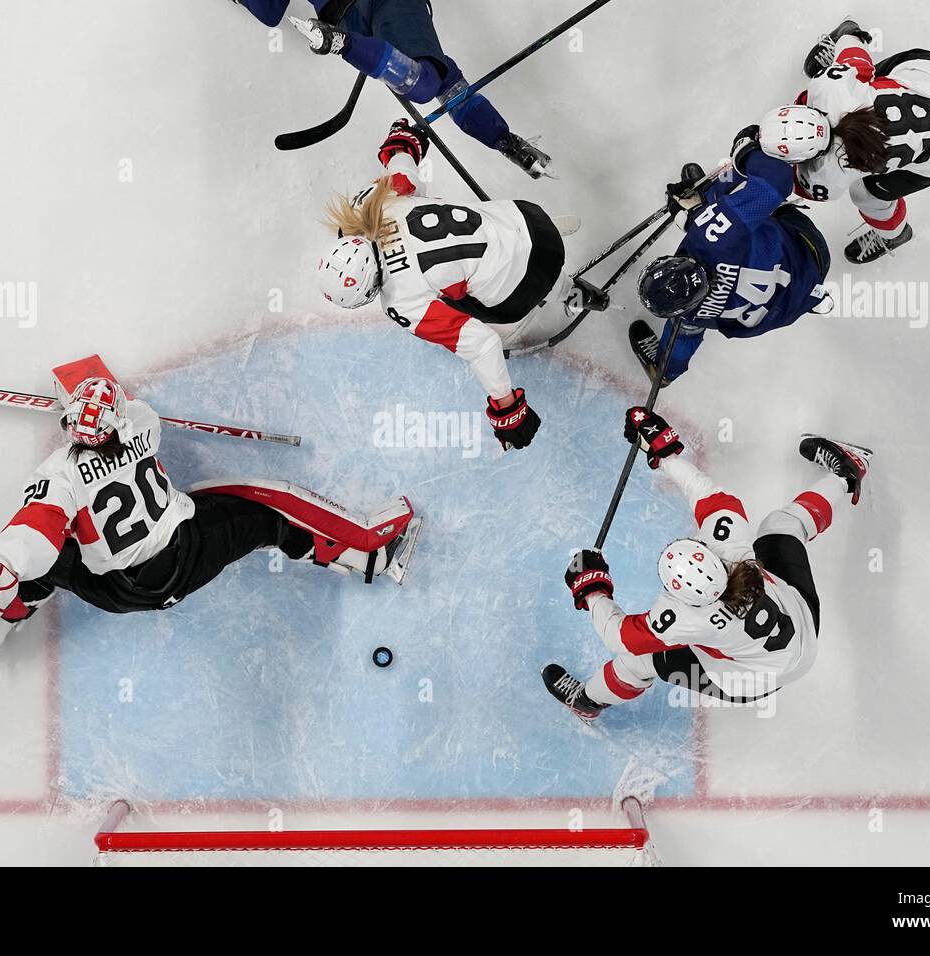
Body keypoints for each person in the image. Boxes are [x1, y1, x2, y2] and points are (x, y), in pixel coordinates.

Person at [0, 375, 420, 664]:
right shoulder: (142, 425)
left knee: (50, 562)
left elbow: (34, 531)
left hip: (116, 591)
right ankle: (369, 559)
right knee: (268, 517)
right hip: (183, 556)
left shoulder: (57, 476)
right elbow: (127, 408)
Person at [542, 407, 871, 717]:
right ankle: (846, 475)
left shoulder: (681, 618)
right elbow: (704, 491)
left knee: (639, 661)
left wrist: (593, 591)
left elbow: (619, 637)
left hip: (752, 680)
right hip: (801, 625)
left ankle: (586, 701)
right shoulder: (733, 547)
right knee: (781, 527)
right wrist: (665, 456)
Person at [317, 119, 607, 451]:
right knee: (468, 241)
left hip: (527, 281)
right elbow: (403, 166)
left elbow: (482, 344)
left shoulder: (400, 302)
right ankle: (562, 276)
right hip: (526, 218)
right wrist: (402, 142)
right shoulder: (375, 203)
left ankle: (565, 291)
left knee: (454, 303)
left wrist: (507, 407)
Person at [232, 0, 551, 176]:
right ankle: (505, 141)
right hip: (344, 21)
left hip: (389, 4)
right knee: (436, 79)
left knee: (428, 81)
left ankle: (506, 142)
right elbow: (268, 11)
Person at [763, 18, 930, 263]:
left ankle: (894, 234)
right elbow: (853, 43)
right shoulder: (835, 90)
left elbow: (784, 183)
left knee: (866, 195)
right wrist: (849, 36)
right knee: (864, 77)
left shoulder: (824, 177)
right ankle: (891, 232)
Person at [629, 132, 832, 387]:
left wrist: (695, 216)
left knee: (685, 330)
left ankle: (666, 371)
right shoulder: (709, 239)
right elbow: (777, 181)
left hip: (782, 309)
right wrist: (746, 152)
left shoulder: (692, 314)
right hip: (806, 248)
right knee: (739, 199)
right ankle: (710, 195)